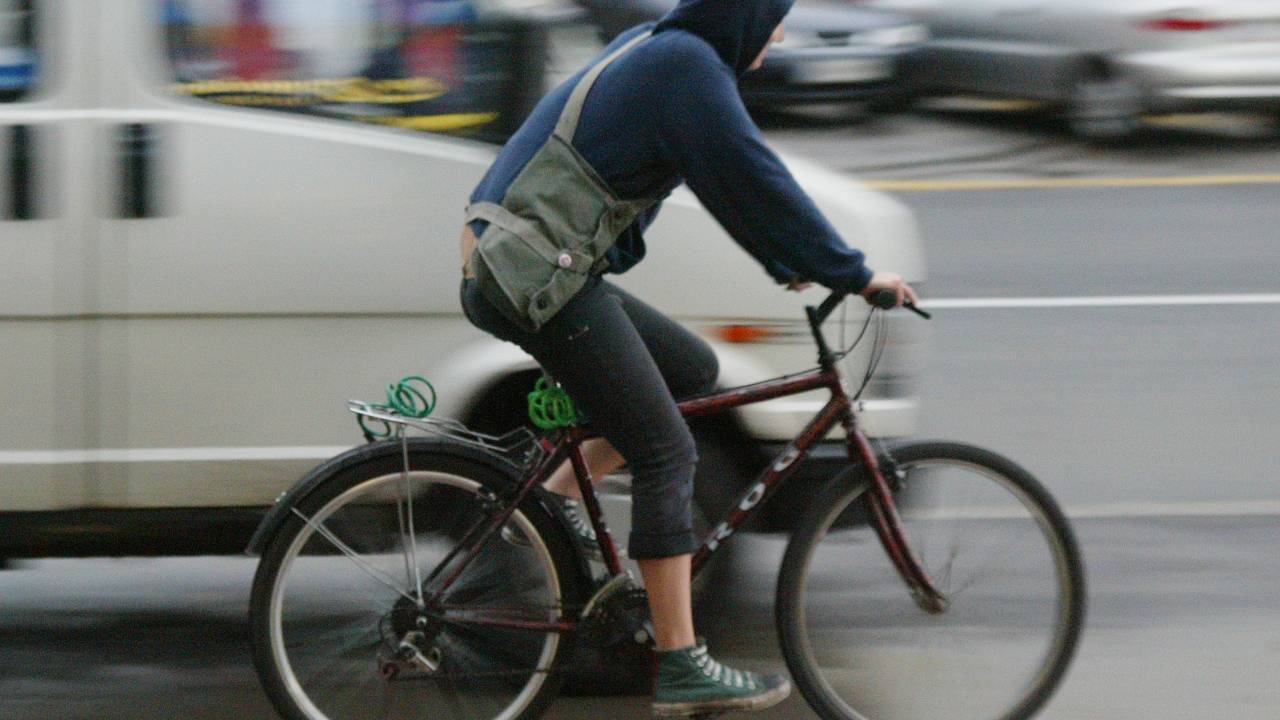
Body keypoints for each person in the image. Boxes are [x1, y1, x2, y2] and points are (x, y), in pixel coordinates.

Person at [457, 0, 917, 715]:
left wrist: (791, 259)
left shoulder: (666, 49)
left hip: (522, 258)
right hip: (533, 270)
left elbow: (727, 179)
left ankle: (551, 504)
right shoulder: (685, 67)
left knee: (691, 372)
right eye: (776, 14)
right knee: (667, 450)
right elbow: (755, 176)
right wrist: (853, 273)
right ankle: (681, 663)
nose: (780, 32)